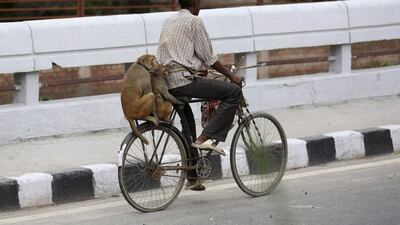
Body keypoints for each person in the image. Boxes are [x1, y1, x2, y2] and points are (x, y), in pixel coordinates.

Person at [156, 0, 243, 191]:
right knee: (233, 92)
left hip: (167, 84)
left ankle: (193, 177)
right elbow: (209, 57)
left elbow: (176, 55)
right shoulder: (195, 21)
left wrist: (196, 69)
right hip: (183, 82)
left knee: (188, 127)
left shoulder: (169, 20)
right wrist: (231, 75)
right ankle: (207, 138)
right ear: (195, 2)